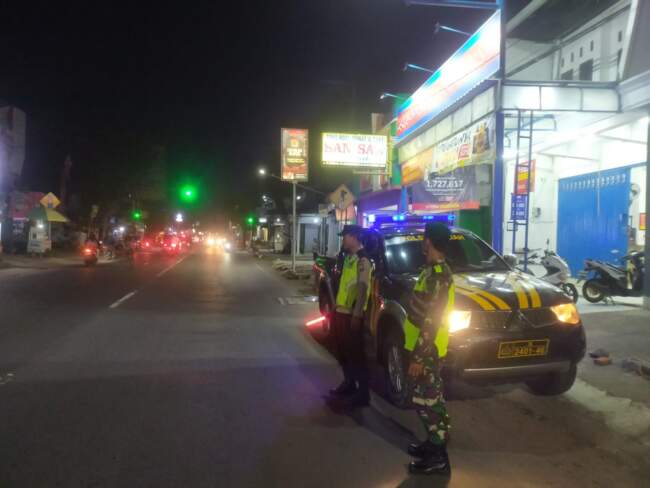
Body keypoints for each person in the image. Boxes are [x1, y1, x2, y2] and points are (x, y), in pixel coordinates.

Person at [404, 222, 455, 476]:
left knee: (428, 402)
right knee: (427, 399)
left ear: (429, 242)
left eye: (424, 238)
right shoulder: (430, 271)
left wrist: (419, 356)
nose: (422, 242)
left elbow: (431, 319)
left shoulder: (438, 276)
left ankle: (438, 458)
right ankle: (432, 444)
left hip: (428, 349)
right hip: (424, 346)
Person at [328, 224, 372, 409]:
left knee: (356, 355)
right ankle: (349, 383)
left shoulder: (363, 260)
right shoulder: (348, 258)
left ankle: (362, 395)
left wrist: (357, 314)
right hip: (341, 312)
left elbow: (362, 288)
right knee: (343, 352)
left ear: (354, 237)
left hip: (352, 315)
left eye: (345, 236)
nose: (343, 240)